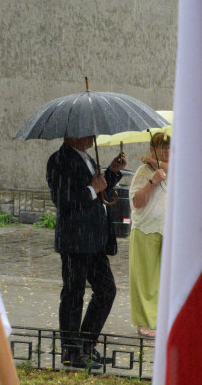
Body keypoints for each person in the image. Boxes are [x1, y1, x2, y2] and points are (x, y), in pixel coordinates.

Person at [46, 135, 126, 369]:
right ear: (72, 133)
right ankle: (71, 351)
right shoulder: (59, 161)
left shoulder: (88, 158)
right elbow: (62, 199)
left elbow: (100, 188)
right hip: (75, 240)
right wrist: (92, 188)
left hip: (95, 240)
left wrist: (112, 171)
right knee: (73, 293)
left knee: (106, 290)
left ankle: (86, 344)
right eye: (87, 131)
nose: (92, 135)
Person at [128, 131, 170, 338]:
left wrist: (158, 163)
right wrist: (152, 181)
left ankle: (161, 319)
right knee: (145, 279)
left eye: (170, 146)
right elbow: (138, 201)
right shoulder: (143, 172)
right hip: (146, 229)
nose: (168, 151)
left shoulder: (174, 170)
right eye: (162, 147)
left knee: (164, 279)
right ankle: (144, 322)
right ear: (152, 149)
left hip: (168, 232)